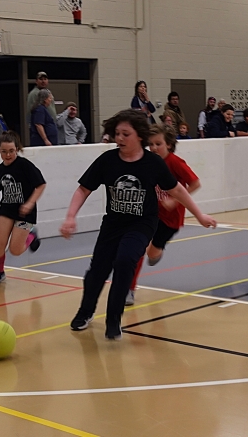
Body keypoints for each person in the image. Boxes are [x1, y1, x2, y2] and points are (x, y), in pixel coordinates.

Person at [60, 110, 217, 340]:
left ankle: (114, 319)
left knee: (125, 261)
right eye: (117, 134)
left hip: (142, 224)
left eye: (126, 134)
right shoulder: (107, 160)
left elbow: (177, 190)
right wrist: (70, 216)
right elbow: (84, 189)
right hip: (113, 223)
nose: (120, 138)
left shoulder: (153, 163)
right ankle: (86, 312)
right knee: (97, 271)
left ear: (139, 136)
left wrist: (199, 215)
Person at [127, 124, 202, 305]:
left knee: (152, 253)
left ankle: (156, 252)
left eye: (158, 144)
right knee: (137, 250)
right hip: (150, 214)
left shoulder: (175, 163)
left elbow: (195, 183)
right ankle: (128, 289)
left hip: (170, 218)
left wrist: (174, 200)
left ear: (168, 144)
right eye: (150, 144)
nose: (153, 148)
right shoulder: (147, 162)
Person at [0, 131, 46, 286]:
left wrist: (30, 203)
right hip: (7, 209)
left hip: (25, 213)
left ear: (17, 149)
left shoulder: (25, 165)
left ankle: (31, 235)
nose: (8, 155)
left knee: (15, 250)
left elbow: (41, 184)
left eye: (11, 151)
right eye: (4, 151)